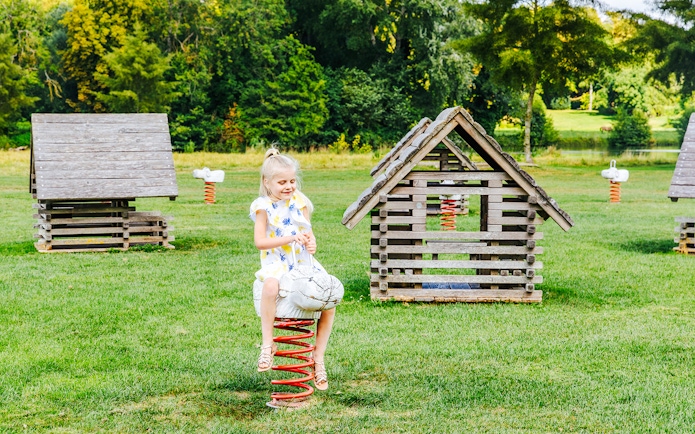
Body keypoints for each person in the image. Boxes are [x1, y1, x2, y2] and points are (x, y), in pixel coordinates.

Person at [249, 148, 336, 391]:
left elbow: (309, 237)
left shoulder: (300, 203)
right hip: (277, 262)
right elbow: (260, 242)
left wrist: (311, 242)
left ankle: (318, 359)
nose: (289, 186)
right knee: (269, 286)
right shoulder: (262, 207)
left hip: (302, 262)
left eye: (292, 180)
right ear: (267, 183)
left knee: (330, 297)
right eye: (282, 182)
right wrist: (289, 238)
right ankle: (268, 344)